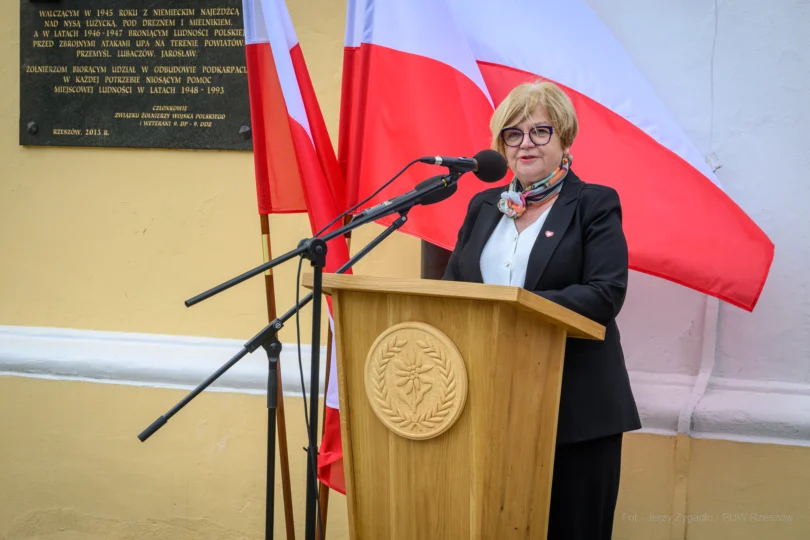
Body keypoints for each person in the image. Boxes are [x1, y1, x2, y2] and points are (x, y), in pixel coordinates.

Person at [442, 80, 641, 539]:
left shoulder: (593, 203)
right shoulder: (483, 206)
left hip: (576, 407)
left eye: (539, 131)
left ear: (564, 137)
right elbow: (454, 288)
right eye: (512, 134)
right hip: (489, 405)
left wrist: (515, 308)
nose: (525, 143)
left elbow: (605, 293)